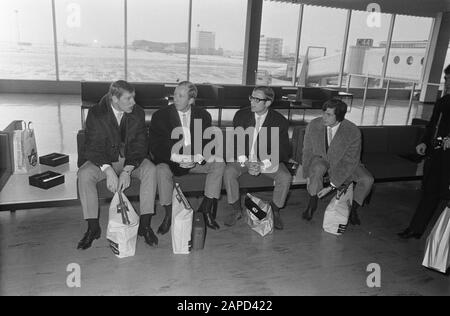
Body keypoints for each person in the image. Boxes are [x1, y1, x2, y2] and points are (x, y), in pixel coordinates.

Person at [77, 80, 158, 250]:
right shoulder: (96, 113)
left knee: (150, 169)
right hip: (105, 160)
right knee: (84, 174)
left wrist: (127, 170)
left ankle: (145, 225)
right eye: (128, 99)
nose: (133, 103)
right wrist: (108, 170)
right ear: (114, 98)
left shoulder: (137, 112)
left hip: (129, 160)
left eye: (133, 98)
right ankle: (92, 228)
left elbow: (140, 145)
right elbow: (93, 147)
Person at [149, 81, 225, 233]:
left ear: (191, 100)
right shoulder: (160, 116)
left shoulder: (203, 115)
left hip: (195, 160)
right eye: (175, 94)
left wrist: (195, 158)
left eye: (181, 96)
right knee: (161, 170)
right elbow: (157, 146)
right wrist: (180, 158)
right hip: (171, 161)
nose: (175, 98)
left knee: (219, 163)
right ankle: (168, 215)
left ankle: (206, 209)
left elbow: (208, 142)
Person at [223, 86, 292, 230]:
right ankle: (236, 209)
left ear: (268, 103)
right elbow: (236, 143)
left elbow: (282, 150)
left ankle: (275, 211)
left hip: (266, 161)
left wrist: (261, 163)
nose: (252, 102)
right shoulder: (241, 115)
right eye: (251, 97)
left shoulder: (279, 121)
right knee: (229, 172)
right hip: (243, 159)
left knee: (285, 177)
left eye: (257, 99)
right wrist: (247, 162)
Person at [302, 98, 374, 224]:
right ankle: (311, 204)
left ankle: (353, 209)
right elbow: (307, 151)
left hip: (344, 162)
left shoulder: (352, 131)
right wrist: (307, 174)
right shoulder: (313, 125)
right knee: (317, 168)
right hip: (321, 159)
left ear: (339, 116)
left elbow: (350, 161)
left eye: (328, 114)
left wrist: (332, 186)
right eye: (323, 112)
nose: (323, 117)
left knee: (367, 180)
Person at [398, 66, 450, 239]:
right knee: (429, 192)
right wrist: (423, 141)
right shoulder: (444, 101)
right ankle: (416, 229)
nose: (447, 82)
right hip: (437, 155)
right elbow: (432, 125)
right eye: (446, 78)